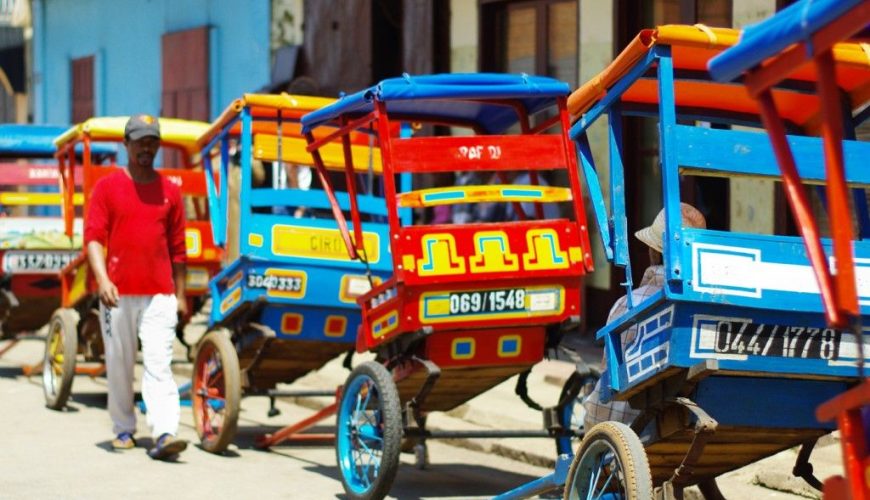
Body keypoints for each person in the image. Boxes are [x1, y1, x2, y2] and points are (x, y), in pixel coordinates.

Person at [84, 115, 189, 460]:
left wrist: (182, 295)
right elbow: (94, 239)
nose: (146, 148)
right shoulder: (107, 188)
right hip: (118, 295)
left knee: (159, 363)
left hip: (159, 293)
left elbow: (178, 250)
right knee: (119, 362)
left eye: (152, 142)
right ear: (126, 145)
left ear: (158, 146)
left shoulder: (170, 192)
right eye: (140, 141)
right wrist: (103, 280)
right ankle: (124, 428)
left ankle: (164, 433)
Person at [583, 203, 707, 431]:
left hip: (638, 425)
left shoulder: (631, 304)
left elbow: (608, 380)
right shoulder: (711, 303)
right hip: (699, 415)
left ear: (654, 251)